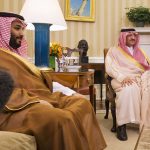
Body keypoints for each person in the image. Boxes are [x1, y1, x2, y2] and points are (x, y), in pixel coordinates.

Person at [0, 12, 106, 150]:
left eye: (22, 29)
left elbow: (38, 81)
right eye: (17, 28)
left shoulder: (18, 55)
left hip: (40, 96)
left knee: (83, 104)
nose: (21, 33)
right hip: (13, 107)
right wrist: (33, 101)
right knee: (61, 119)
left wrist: (70, 93)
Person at [105, 28, 150, 141]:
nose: (133, 37)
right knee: (128, 90)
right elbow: (109, 68)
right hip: (120, 78)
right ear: (123, 36)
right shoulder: (113, 51)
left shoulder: (140, 52)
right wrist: (122, 77)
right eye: (129, 35)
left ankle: (144, 121)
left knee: (147, 90)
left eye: (135, 35)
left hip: (139, 78)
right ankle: (121, 126)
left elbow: (146, 67)